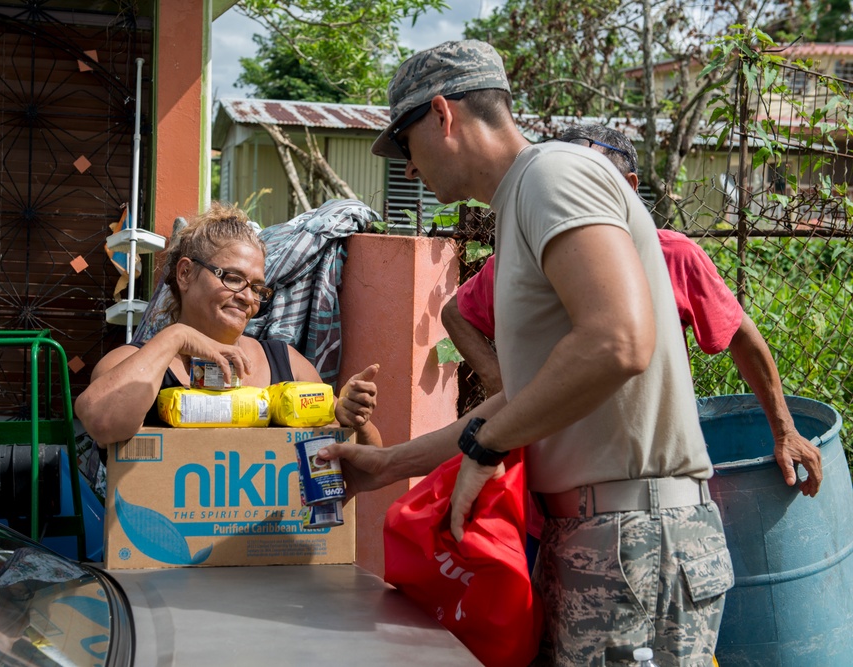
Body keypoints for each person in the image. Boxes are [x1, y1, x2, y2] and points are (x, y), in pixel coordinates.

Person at [318, 40, 732, 665]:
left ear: (442, 115)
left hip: (633, 539)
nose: (407, 169)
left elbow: (617, 341)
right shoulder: (520, 204)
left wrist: (488, 447)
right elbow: (529, 400)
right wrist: (387, 466)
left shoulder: (553, 176)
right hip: (599, 537)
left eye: (404, 145)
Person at [443, 123, 822, 497]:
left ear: (629, 186)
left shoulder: (674, 254)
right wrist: (505, 384)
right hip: (549, 473)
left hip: (646, 482)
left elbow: (741, 334)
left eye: (588, 183)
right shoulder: (527, 257)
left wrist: (784, 429)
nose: (570, 198)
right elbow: (456, 313)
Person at [75, 201, 381, 446]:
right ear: (185, 274)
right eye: (233, 278)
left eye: (258, 288)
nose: (247, 297)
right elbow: (104, 424)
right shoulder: (131, 362)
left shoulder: (288, 364)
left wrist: (352, 420)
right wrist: (177, 338)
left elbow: (363, 464)